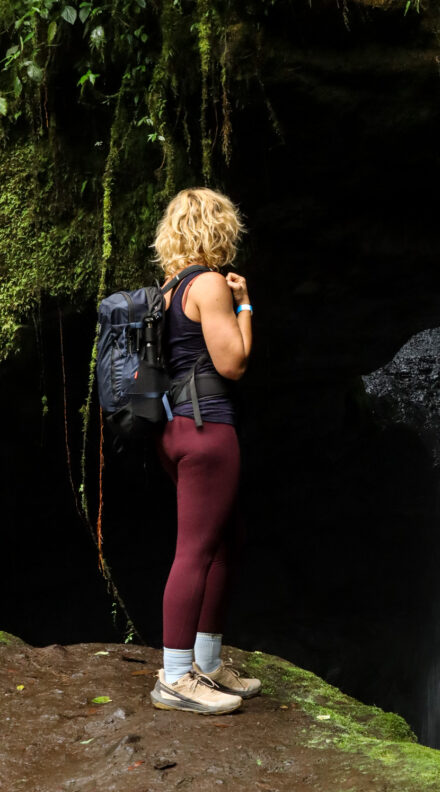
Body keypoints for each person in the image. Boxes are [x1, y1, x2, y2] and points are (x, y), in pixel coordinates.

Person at [148, 187, 261, 715]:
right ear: (219, 229)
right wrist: (244, 305)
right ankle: (175, 677)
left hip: (175, 431)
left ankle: (207, 664)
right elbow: (233, 362)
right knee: (196, 549)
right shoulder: (210, 284)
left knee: (224, 539)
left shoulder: (168, 289)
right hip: (207, 429)